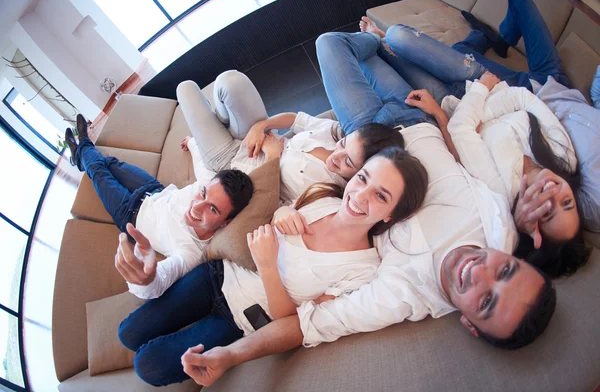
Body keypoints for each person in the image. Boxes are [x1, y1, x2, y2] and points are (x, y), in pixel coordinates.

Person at [180, 123, 557, 388]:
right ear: (514, 256)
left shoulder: (396, 294)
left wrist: (228, 356)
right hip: (406, 128)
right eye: (505, 269)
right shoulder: (501, 228)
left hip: (375, 159)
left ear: (471, 325)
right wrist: (521, 201)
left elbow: (303, 325)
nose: (480, 273)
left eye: (487, 300)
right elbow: (493, 155)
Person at [117, 146, 429, 386]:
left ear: (391, 215)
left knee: (149, 365)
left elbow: (292, 324)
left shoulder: (362, 271)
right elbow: (278, 212)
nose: (360, 195)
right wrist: (280, 215)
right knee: (128, 333)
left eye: (381, 195)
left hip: (239, 321)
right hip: (217, 275)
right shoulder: (323, 196)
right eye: (363, 178)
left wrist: (268, 267)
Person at [356, 0, 591, 276]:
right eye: (566, 202)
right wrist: (479, 113)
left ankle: (387, 40)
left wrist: (478, 108)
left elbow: (460, 128)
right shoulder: (564, 158)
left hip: (454, 101)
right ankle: (403, 39)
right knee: (399, 37)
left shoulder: (500, 191)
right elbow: (523, 98)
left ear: (534, 227)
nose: (554, 193)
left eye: (548, 211)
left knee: (382, 53)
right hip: (482, 81)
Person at [63, 114, 254, 298]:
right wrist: (191, 142)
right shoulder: (209, 182)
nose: (196, 207)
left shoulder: (191, 252)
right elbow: (202, 163)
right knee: (110, 163)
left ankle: (83, 145)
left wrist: (146, 280)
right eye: (203, 194)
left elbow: (158, 282)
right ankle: (80, 158)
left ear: (225, 222)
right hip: (153, 189)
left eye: (212, 209)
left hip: (129, 213)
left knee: (98, 171)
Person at [177, 70, 405, 205]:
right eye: (344, 145)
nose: (337, 154)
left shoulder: (326, 194)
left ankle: (209, 131)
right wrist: (262, 126)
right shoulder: (335, 134)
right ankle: (222, 117)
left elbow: (265, 202)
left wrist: (273, 158)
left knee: (185, 88)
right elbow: (297, 119)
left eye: (348, 162)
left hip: (231, 163)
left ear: (362, 173)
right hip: (258, 135)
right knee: (230, 80)